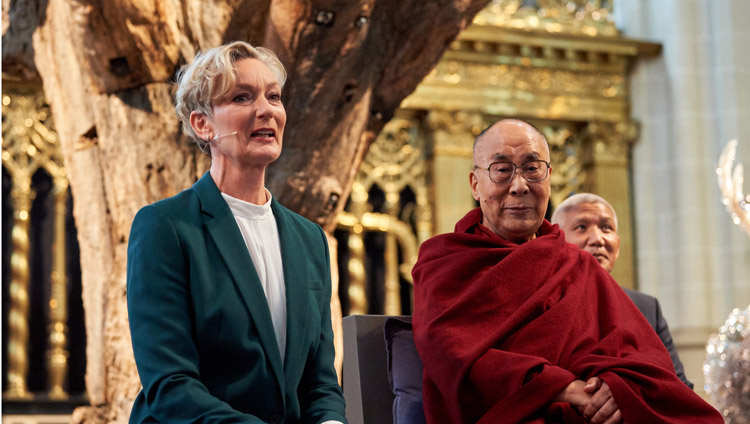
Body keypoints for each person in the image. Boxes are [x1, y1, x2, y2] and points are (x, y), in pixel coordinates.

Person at [411, 119, 721, 424]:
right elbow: (452, 355)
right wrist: (563, 389)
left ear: (548, 178)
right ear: (475, 185)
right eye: (502, 170)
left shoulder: (577, 264)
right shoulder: (445, 263)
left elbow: (641, 356)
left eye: (532, 169)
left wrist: (616, 389)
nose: (519, 186)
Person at [126, 41, 347, 424]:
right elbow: (170, 383)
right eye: (242, 97)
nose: (266, 110)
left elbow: (320, 384)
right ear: (202, 123)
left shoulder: (309, 238)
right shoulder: (166, 227)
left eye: (274, 97)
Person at [551, 193, 694, 389]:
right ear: (555, 243)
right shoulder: (546, 302)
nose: (597, 239)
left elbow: (679, 386)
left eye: (606, 227)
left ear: (617, 246)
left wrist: (624, 392)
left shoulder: (646, 308)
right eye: (581, 227)